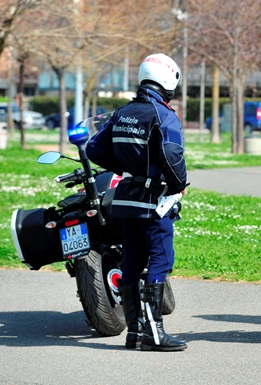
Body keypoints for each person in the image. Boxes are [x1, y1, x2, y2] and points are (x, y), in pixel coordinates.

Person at [86, 53, 188, 351]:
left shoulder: (124, 112)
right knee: (160, 259)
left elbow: (94, 148)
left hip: (126, 196)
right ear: (168, 80)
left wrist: (123, 166)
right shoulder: (163, 114)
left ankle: (134, 333)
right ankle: (155, 334)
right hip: (154, 199)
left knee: (132, 260)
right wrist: (178, 184)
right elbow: (172, 155)